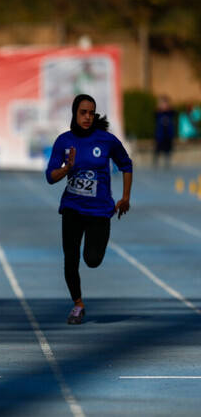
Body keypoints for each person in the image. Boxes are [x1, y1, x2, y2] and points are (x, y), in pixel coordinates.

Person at [45, 94, 133, 325]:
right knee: (70, 259)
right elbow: (50, 177)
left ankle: (80, 297)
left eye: (91, 113)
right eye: (83, 112)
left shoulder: (106, 141)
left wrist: (125, 197)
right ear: (74, 113)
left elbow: (126, 164)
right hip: (72, 207)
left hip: (100, 210)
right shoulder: (64, 142)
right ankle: (78, 304)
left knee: (92, 259)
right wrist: (67, 168)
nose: (87, 117)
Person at [153, 95, 176, 170]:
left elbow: (174, 112)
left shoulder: (170, 112)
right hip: (160, 135)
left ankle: (167, 162)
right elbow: (155, 114)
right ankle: (155, 161)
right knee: (158, 149)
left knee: (168, 149)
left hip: (168, 134)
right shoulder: (159, 113)